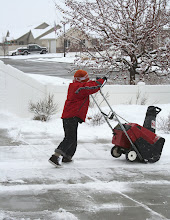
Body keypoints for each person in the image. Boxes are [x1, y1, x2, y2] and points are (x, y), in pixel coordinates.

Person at [49, 69, 106, 166]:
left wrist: (97, 81)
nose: (87, 79)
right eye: (85, 78)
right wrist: (101, 81)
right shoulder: (78, 88)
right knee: (70, 138)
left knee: (73, 138)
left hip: (71, 116)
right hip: (70, 116)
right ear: (80, 79)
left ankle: (67, 156)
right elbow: (90, 87)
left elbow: (89, 85)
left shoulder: (77, 86)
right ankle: (55, 156)